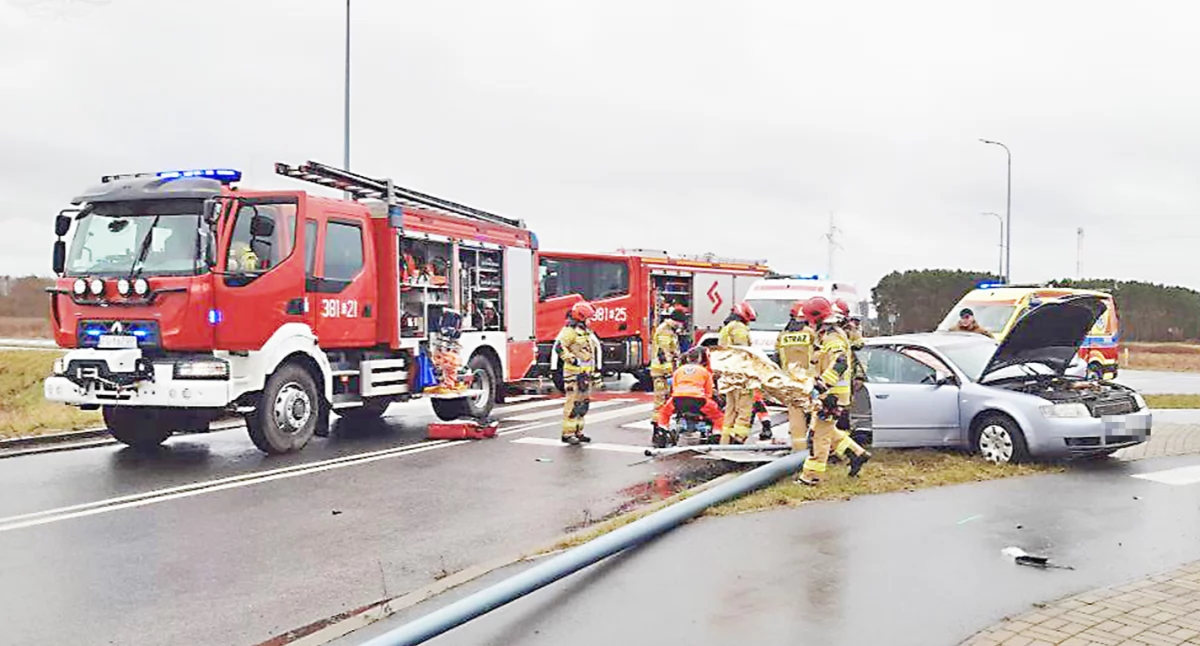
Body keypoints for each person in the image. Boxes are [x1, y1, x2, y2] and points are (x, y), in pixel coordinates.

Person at [798, 298, 871, 485]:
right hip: (830, 395)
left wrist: (823, 385)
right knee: (828, 431)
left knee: (819, 437)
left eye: (808, 320)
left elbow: (840, 362)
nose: (807, 324)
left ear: (816, 318)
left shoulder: (832, 337)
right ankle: (857, 454)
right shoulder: (827, 335)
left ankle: (811, 477)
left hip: (831, 397)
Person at [652, 347, 724, 446]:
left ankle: (662, 431)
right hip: (698, 400)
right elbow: (709, 392)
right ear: (700, 359)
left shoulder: (678, 371)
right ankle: (716, 435)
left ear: (687, 358)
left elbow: (674, 388)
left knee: (664, 413)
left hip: (678, 399)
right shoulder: (704, 371)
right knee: (719, 417)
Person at [775, 299, 817, 454]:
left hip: (790, 381)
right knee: (815, 414)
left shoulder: (783, 335)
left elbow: (777, 357)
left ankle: (798, 450)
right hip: (808, 380)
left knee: (796, 416)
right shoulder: (809, 333)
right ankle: (816, 447)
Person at [715, 301, 759, 444]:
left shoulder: (726, 328)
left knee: (731, 409)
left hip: (728, 374)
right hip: (741, 374)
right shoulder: (739, 328)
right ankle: (738, 438)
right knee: (744, 409)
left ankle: (725, 440)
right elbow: (743, 350)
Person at [556, 301, 598, 445]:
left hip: (585, 375)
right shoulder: (569, 331)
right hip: (573, 375)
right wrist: (571, 359)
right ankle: (567, 434)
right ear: (581, 317)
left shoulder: (585, 332)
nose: (590, 321)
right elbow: (559, 347)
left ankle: (578, 431)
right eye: (588, 318)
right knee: (573, 405)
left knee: (582, 405)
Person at [649, 306, 687, 418]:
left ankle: (662, 420)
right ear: (677, 321)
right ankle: (657, 422)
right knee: (661, 397)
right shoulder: (665, 331)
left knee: (666, 397)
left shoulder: (670, 330)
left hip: (664, 371)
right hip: (661, 372)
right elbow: (664, 353)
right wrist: (669, 372)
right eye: (681, 323)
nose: (681, 326)